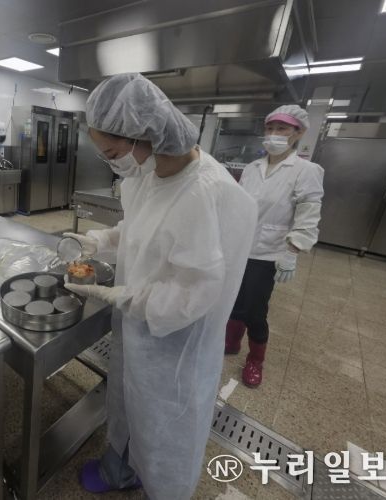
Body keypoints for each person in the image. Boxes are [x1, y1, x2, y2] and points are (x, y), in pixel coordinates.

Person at [62, 73, 257, 500]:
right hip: (139, 320)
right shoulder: (146, 173)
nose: (114, 164)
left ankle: (163, 489)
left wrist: (126, 296)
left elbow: (195, 292)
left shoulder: (203, 192)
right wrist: (102, 240)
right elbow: (141, 230)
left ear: (144, 136)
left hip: (176, 341)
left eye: (114, 153)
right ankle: (120, 468)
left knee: (163, 421)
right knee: (128, 398)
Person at [225, 105, 324, 387]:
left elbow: (308, 214)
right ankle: (231, 342)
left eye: (282, 129)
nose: (274, 134)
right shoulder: (252, 168)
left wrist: (292, 251)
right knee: (233, 299)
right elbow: (239, 206)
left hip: (269, 252)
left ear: (298, 133)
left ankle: (255, 360)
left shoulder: (306, 170)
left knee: (255, 310)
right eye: (270, 128)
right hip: (240, 248)